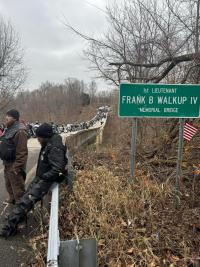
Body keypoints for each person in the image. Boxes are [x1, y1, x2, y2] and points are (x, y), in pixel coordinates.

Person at [0, 123, 68, 238]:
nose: (38, 140)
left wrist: (44, 178)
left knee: (25, 202)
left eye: (39, 137)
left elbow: (57, 168)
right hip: (41, 177)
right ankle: (16, 219)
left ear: (45, 136)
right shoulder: (49, 142)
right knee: (24, 199)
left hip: (45, 180)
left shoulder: (54, 147)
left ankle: (8, 228)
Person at [0, 109, 28, 204]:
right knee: (8, 184)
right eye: (6, 115)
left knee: (18, 187)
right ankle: (12, 199)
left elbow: (22, 152)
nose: (6, 117)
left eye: (8, 116)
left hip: (15, 164)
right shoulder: (9, 128)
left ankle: (21, 208)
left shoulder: (20, 131)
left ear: (15, 118)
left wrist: (16, 167)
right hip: (7, 163)